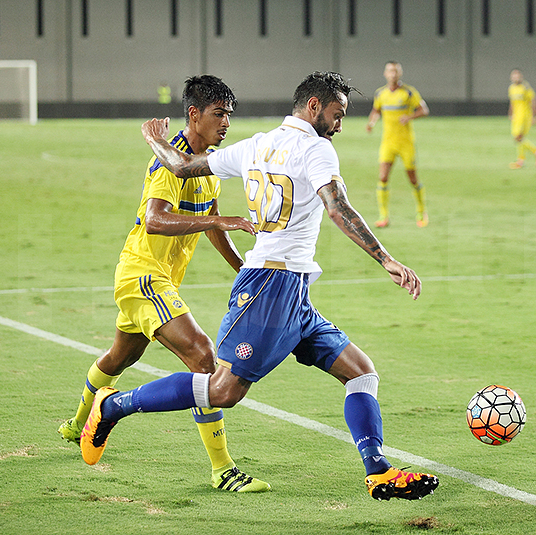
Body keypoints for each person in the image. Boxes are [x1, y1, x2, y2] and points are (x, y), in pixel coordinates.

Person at [80, 71, 439, 501]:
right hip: (271, 285)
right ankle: (113, 406)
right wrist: (386, 258)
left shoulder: (256, 144)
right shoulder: (316, 149)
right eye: (337, 114)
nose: (340, 124)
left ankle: (378, 471)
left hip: (292, 290)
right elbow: (338, 207)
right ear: (313, 107)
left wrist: (154, 140)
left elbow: (183, 165)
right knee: (222, 390)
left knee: (361, 373)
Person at [58, 75, 270, 492]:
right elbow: (155, 220)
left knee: (120, 357)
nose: (226, 122)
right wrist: (217, 218)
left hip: (153, 278)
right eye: (218, 114)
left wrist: (244, 271)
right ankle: (222, 469)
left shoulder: (205, 165)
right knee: (205, 359)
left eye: (229, 114)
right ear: (194, 114)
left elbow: (212, 228)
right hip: (144, 276)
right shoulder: (167, 163)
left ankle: (76, 423)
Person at [366, 61, 430, 228]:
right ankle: (383, 216)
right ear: (385, 74)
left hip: (406, 143)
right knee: (383, 177)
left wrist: (409, 117)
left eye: (395, 71)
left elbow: (424, 110)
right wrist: (372, 123)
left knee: (412, 178)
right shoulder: (380, 94)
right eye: (390, 71)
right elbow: (376, 110)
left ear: (399, 73)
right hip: (388, 142)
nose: (392, 74)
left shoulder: (409, 93)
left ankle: (421, 212)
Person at [507, 69, 536, 169]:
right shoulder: (511, 88)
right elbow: (512, 102)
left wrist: (534, 116)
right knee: (520, 139)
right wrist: (510, 113)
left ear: (521, 77)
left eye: (517, 76)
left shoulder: (525, 87)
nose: (515, 78)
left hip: (525, 116)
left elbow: (533, 101)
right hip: (516, 116)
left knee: (518, 138)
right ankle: (522, 160)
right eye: (513, 76)